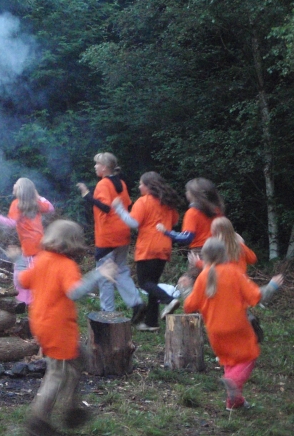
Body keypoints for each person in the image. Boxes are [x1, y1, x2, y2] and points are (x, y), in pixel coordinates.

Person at [19, 220, 116, 436]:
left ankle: (71, 408)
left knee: (81, 356)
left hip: (42, 324)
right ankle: (37, 423)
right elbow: (75, 292)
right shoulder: (66, 265)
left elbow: (23, 281)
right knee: (57, 374)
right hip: (58, 328)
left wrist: (18, 260)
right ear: (73, 243)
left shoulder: (41, 259)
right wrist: (98, 274)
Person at [183, 238, 284, 410]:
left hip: (214, 332)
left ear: (205, 256)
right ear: (225, 254)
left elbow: (189, 306)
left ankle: (235, 402)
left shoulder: (203, 277)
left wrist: (185, 289)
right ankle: (234, 383)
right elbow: (255, 296)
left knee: (230, 362)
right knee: (249, 356)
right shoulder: (234, 272)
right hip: (237, 328)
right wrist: (272, 286)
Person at [77, 152, 145, 323]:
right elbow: (126, 204)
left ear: (105, 167)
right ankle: (136, 303)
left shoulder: (103, 184)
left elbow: (106, 208)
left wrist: (87, 195)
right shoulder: (121, 183)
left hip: (107, 236)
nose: (95, 166)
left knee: (104, 274)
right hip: (123, 233)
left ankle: (107, 313)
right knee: (120, 270)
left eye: (97, 164)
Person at [112, 171, 182, 331]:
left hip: (148, 247)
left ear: (149, 186)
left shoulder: (143, 201)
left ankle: (169, 300)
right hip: (164, 247)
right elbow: (175, 221)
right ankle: (151, 323)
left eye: (141, 184)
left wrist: (119, 209)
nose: (139, 186)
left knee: (145, 283)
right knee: (152, 285)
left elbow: (133, 223)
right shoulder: (167, 203)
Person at [0, 177, 54, 305]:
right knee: (23, 272)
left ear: (20, 189)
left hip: (32, 248)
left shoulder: (17, 204)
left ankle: (28, 302)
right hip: (37, 245)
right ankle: (26, 300)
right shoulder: (34, 203)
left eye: (16, 183)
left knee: (27, 275)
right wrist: (38, 196)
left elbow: (10, 223)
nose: (13, 184)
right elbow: (50, 208)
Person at [157, 177, 224, 288]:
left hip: (200, 251)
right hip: (219, 248)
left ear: (194, 194)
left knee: (190, 278)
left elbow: (186, 237)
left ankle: (186, 297)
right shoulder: (217, 211)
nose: (186, 193)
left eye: (188, 191)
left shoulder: (192, 213)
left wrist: (167, 232)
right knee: (215, 277)